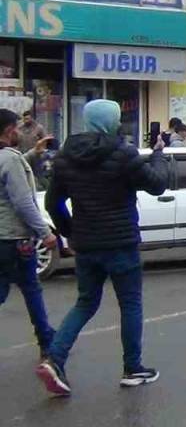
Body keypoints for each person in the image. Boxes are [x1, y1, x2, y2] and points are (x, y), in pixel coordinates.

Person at [38, 99, 169, 396]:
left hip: (86, 243)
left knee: (85, 303)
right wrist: (159, 153)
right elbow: (158, 184)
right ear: (113, 121)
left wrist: (71, 233)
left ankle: (54, 358)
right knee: (130, 304)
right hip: (121, 242)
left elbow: (53, 203)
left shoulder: (64, 157)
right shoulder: (123, 153)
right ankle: (133, 368)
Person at [0, 109, 58, 362]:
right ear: (7, 130)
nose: (18, 131)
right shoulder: (10, 160)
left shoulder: (8, 158)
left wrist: (34, 153)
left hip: (2, 238)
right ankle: (47, 341)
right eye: (15, 127)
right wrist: (45, 232)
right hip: (15, 238)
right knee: (31, 289)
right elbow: (23, 203)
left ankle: (47, 336)